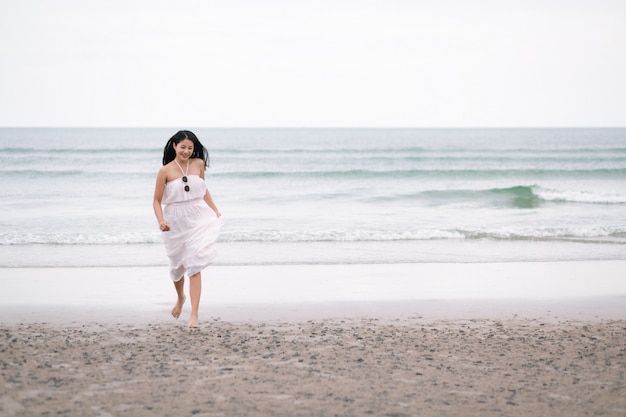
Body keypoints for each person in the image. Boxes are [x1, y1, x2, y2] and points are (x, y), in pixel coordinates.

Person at [153, 130, 223, 329]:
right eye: (183, 147)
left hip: (198, 217)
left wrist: (214, 209)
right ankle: (180, 297)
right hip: (175, 221)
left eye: (190, 148)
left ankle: (194, 315)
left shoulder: (199, 164)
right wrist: (161, 220)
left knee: (195, 265)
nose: (186, 151)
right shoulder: (165, 171)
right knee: (177, 268)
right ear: (174, 146)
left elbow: (203, 189)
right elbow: (157, 201)